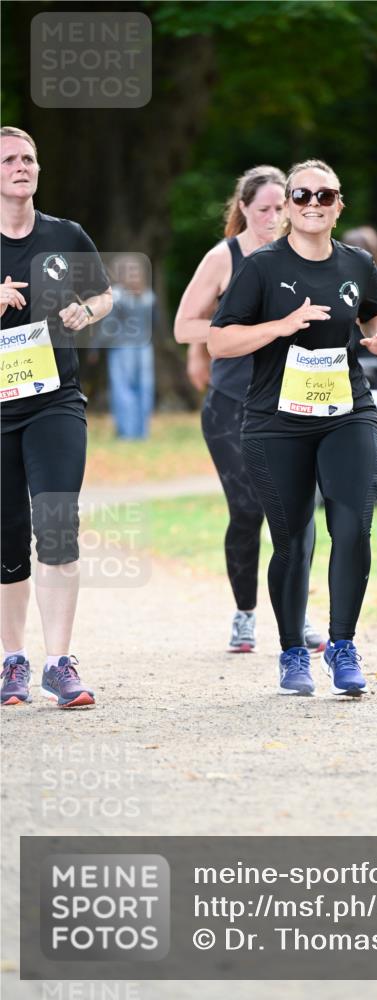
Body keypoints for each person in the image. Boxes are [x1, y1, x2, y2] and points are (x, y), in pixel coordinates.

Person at [208, 158, 377, 696]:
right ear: (289, 208)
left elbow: (375, 311)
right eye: (302, 196)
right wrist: (282, 325)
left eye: (326, 196)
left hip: (347, 412)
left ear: (339, 206)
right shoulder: (262, 267)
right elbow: (220, 341)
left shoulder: (358, 263)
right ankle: (294, 651)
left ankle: (342, 646)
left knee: (352, 526)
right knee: (293, 539)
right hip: (277, 421)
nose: (314, 204)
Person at [174, 166, 325, 654]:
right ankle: (245, 614)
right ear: (242, 209)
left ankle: (296, 617)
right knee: (247, 510)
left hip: (290, 401)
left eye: (282, 207)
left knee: (295, 513)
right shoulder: (225, 257)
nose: (274, 217)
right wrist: (239, 331)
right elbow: (182, 327)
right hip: (232, 405)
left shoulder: (302, 252)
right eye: (264, 209)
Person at [0, 126, 113, 707]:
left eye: (29, 159)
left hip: (53, 401)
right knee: (8, 537)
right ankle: (12, 661)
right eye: (10, 160)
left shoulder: (65, 235)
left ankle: (57, 662)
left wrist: (83, 309)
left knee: (57, 524)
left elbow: (105, 295)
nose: (22, 166)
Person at [104, 253, 156, 439]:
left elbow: (108, 326)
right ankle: (142, 432)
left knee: (123, 388)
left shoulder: (116, 296)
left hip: (121, 347)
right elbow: (154, 323)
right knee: (145, 388)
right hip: (144, 347)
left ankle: (126, 432)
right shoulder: (150, 296)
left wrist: (96, 347)